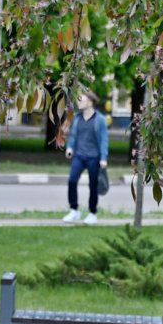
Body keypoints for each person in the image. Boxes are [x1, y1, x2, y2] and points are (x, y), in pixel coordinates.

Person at [63, 91, 108, 224]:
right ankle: (74, 210)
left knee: (93, 185)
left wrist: (103, 158)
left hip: (94, 158)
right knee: (72, 180)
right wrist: (70, 147)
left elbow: (104, 140)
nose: (79, 102)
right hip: (79, 156)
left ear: (90, 102)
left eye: (81, 100)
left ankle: (92, 213)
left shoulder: (99, 120)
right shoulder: (77, 118)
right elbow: (73, 136)